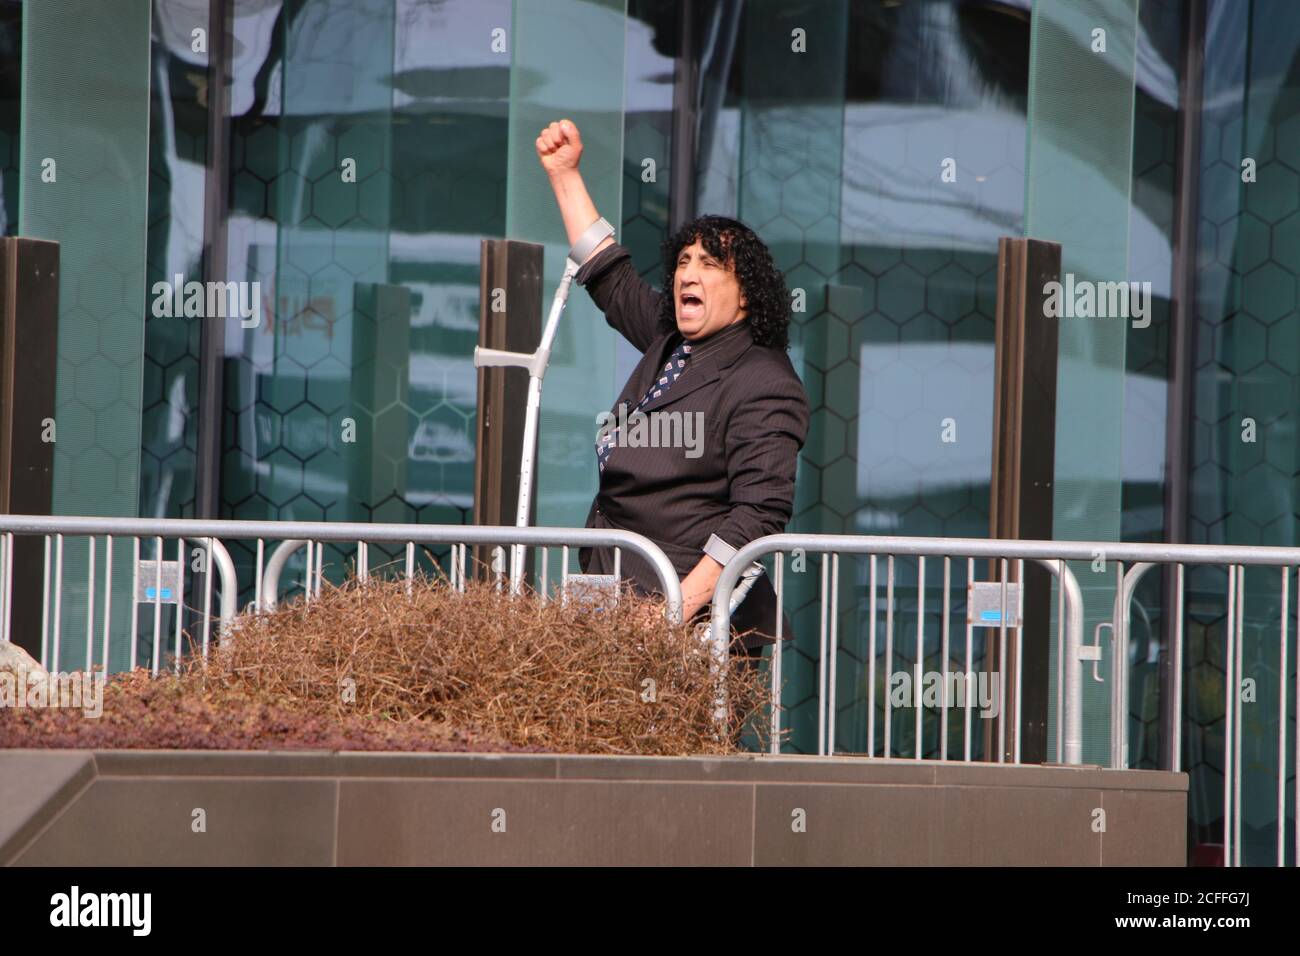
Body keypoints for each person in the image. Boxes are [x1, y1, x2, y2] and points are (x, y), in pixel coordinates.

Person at [536, 118, 809, 669]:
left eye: (710, 264)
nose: (689, 272)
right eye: (684, 260)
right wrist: (565, 175)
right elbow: (607, 275)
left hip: (693, 631)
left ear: (746, 297)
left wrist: (672, 613)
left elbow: (757, 516)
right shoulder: (670, 338)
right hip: (613, 599)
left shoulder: (765, 381)